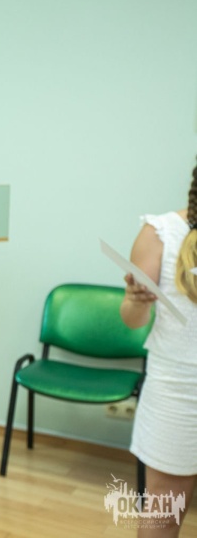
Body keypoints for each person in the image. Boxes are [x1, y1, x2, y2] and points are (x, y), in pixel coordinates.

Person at [120, 157, 197, 537]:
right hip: (178, 391)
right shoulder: (161, 232)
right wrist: (137, 301)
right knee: (163, 517)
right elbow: (132, 319)